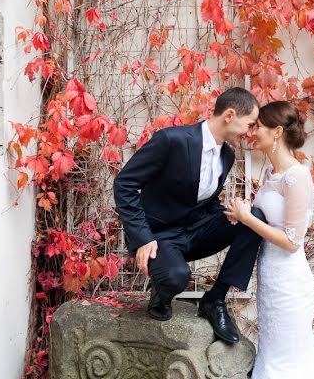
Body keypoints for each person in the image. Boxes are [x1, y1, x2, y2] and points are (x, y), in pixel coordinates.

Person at [112, 87, 264, 344]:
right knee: (176, 277)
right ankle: (160, 296)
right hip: (158, 237)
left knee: (254, 218)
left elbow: (202, 201)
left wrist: (229, 213)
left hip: (194, 231)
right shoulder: (171, 140)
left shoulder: (226, 155)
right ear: (229, 115)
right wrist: (142, 237)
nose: (250, 133)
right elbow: (124, 184)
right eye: (249, 124)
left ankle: (214, 300)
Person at [225, 101, 314, 378]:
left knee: (290, 359)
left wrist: (248, 219)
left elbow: (292, 241)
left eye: (258, 127)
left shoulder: (296, 177)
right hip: (269, 278)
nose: (252, 132)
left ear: (277, 132)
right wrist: (241, 214)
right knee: (274, 354)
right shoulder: (270, 173)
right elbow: (266, 220)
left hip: (290, 283)